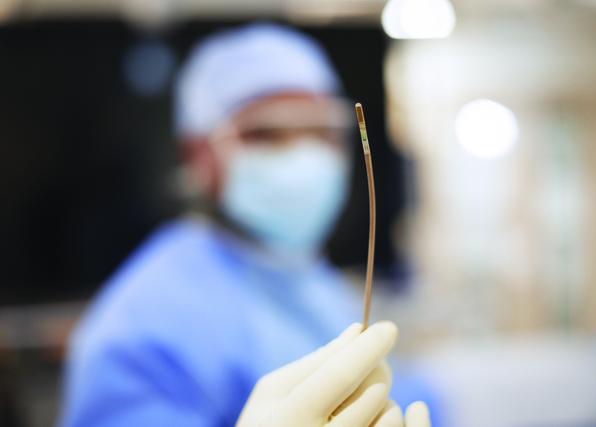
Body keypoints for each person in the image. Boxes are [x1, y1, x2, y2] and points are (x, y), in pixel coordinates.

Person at [59, 23, 437, 426]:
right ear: (198, 154)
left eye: (320, 130)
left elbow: (404, 390)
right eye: (265, 134)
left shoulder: (310, 281)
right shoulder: (139, 333)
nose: (302, 157)